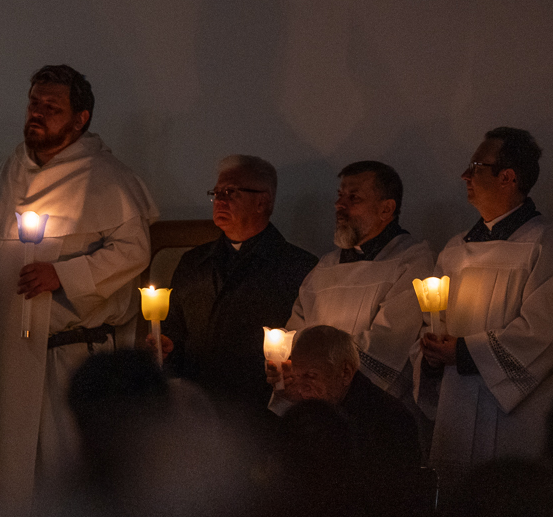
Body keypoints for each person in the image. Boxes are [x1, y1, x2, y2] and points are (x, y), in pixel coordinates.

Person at [0, 65, 158, 504]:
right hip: (1, 352)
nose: (37, 113)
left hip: (63, 357)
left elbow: (133, 252)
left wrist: (63, 275)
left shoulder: (104, 175)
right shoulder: (8, 170)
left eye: (51, 107)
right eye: (34, 103)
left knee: (60, 480)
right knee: (4, 472)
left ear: (80, 119)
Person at [420, 128, 553, 472]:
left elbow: (545, 332)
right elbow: (431, 321)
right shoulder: (455, 248)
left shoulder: (546, 242)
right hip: (457, 403)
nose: (465, 175)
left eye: (476, 166)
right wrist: (431, 354)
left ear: (507, 177)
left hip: (516, 416)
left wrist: (463, 352)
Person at [152, 156, 316, 413]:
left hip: (261, 410)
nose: (220, 200)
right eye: (216, 193)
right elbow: (173, 335)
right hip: (198, 407)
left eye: (230, 192)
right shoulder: (193, 263)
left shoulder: (298, 268)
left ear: (262, 202)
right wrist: (164, 349)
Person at [278, 161, 434, 403]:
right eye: (340, 195)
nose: (339, 205)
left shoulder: (411, 261)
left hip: (370, 406)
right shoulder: (326, 266)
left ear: (386, 209)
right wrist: (287, 370)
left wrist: (323, 379)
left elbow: (389, 341)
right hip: (313, 404)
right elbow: (296, 335)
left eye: (354, 198)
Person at [280, 325, 420, 470]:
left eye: (310, 376)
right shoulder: (311, 414)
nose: (301, 388)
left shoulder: (391, 422)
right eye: (296, 376)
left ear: (345, 372)